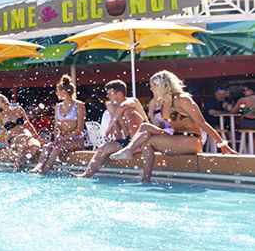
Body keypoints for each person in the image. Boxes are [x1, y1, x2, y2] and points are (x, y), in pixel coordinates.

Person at [109, 70, 237, 182]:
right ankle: (142, 174)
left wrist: (223, 146)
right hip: (175, 137)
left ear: (164, 85)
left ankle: (140, 169)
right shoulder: (164, 103)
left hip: (191, 140)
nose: (151, 89)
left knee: (148, 142)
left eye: (154, 86)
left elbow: (202, 123)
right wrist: (152, 115)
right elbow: (168, 128)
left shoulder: (183, 99)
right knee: (145, 128)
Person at [74, 80, 146, 178]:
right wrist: (114, 131)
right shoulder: (113, 106)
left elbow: (123, 106)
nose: (107, 96)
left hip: (142, 140)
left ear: (119, 93)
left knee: (129, 112)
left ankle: (136, 147)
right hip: (128, 141)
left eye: (109, 93)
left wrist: (110, 126)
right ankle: (86, 175)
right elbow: (118, 132)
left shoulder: (132, 101)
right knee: (101, 149)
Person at [30, 75, 86, 174]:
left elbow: (79, 130)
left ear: (64, 92)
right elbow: (56, 127)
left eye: (57, 91)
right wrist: (57, 136)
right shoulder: (58, 106)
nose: (56, 93)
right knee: (47, 146)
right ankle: (38, 166)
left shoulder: (79, 105)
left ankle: (44, 171)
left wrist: (65, 138)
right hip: (62, 140)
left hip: (76, 140)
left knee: (57, 147)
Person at [0, 93, 42, 170]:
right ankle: (18, 164)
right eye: (2, 101)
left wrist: (37, 137)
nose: (5, 100)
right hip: (13, 137)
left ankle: (23, 160)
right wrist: (5, 142)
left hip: (26, 134)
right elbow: (2, 132)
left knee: (36, 145)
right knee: (22, 142)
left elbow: (28, 124)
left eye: (4, 98)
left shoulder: (19, 109)